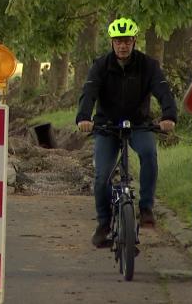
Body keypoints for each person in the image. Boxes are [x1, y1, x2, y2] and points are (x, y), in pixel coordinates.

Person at [75, 17, 177, 248]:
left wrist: (169, 116)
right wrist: (83, 118)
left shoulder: (148, 65)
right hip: (106, 126)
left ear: (134, 42)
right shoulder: (100, 65)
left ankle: (146, 208)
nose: (123, 46)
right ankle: (103, 223)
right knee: (102, 175)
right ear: (112, 42)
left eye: (127, 41)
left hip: (139, 124)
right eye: (119, 41)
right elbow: (89, 91)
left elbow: (162, 90)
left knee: (149, 154)